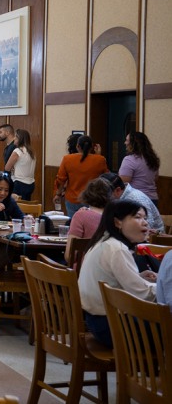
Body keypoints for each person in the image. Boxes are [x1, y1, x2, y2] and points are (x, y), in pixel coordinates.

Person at [77, 200, 157, 348]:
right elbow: (143, 294)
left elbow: (112, 280)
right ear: (118, 222)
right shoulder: (117, 249)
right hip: (113, 326)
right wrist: (164, 286)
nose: (145, 223)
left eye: (145, 218)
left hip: (97, 322)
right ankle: (158, 370)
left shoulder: (103, 241)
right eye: (138, 217)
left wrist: (138, 277)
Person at [55, 135, 109, 217]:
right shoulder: (100, 160)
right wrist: (99, 155)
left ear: (77, 146)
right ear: (92, 147)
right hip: (92, 198)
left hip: (72, 198)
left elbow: (61, 180)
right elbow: (106, 177)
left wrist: (58, 194)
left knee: (73, 223)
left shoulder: (67, 159)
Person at [99, 173, 164, 233]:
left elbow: (147, 226)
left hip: (154, 240)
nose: (104, 197)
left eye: (106, 194)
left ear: (118, 190)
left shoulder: (136, 198)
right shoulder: (120, 198)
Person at [119, 131, 160, 205]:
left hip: (136, 200)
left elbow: (123, 182)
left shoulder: (129, 159)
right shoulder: (153, 159)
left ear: (134, 144)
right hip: (153, 199)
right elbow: (155, 178)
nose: (125, 143)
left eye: (127, 140)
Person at [4, 128, 35, 200]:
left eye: (16, 136)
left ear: (20, 139)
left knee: (16, 208)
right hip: (31, 183)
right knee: (26, 207)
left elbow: (7, 167)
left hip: (19, 183)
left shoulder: (18, 151)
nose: (14, 138)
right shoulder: (32, 152)